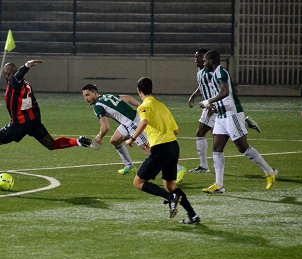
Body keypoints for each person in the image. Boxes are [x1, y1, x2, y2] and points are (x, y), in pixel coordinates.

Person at [0, 60, 98, 183]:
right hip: (33, 122)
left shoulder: (14, 81)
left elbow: (17, 76)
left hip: (19, 124)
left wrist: (26, 65)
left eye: (6, 73)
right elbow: (34, 102)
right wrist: (36, 121)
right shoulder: (26, 84)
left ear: (7, 74)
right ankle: (79, 142)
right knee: (51, 144)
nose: (6, 75)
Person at [199, 50, 277, 194]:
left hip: (232, 114)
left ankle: (269, 171)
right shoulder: (215, 74)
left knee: (243, 148)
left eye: (205, 61)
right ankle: (219, 185)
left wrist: (208, 101)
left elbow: (225, 92)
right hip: (222, 115)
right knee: (217, 148)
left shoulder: (221, 72)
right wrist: (214, 105)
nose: (203, 64)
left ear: (211, 61)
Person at [126, 77, 199, 224]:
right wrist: (150, 139)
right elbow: (175, 130)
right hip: (173, 146)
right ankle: (193, 216)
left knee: (138, 182)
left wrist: (132, 138)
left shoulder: (143, 106)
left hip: (161, 149)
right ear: (151, 89)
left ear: (139, 91)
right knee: (170, 185)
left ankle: (170, 198)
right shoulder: (162, 106)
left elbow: (144, 122)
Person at [81, 84, 187, 182]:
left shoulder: (98, 106)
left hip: (133, 124)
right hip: (127, 123)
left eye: (88, 95)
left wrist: (99, 137)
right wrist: (141, 107)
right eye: (84, 96)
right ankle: (130, 167)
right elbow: (129, 98)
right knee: (115, 141)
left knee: (148, 150)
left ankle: (177, 169)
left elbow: (105, 128)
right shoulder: (108, 96)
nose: (86, 98)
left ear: (95, 93)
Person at [188, 48, 261, 173]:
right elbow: (202, 85)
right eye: (196, 57)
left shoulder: (212, 72)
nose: (197, 60)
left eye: (199, 58)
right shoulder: (201, 71)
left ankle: (204, 166)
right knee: (215, 137)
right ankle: (245, 122)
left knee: (202, 133)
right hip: (210, 106)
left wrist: (212, 103)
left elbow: (221, 90)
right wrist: (193, 96)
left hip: (214, 107)